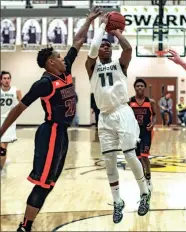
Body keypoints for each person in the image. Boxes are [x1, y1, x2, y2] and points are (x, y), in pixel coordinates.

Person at [0, 7, 102, 232]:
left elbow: (77, 40)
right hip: (51, 133)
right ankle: (24, 227)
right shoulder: (44, 83)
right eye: (57, 56)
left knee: (50, 183)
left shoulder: (64, 72)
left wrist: (89, 20)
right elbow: (19, 108)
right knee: (43, 182)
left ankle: (27, 224)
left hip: (62, 134)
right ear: (50, 63)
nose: (61, 57)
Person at [85, 13, 151, 224]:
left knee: (131, 155)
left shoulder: (120, 64)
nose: (106, 47)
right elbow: (93, 50)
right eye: (103, 45)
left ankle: (144, 192)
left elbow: (128, 48)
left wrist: (115, 32)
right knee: (109, 161)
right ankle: (117, 201)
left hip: (123, 112)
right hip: (104, 117)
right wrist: (102, 26)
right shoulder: (91, 67)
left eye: (108, 45)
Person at [129, 79, 156, 191]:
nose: (140, 87)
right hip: (134, 132)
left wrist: (153, 123)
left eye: (141, 86)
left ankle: (148, 178)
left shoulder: (151, 102)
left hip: (146, 132)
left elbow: (154, 115)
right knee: (138, 158)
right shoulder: (129, 101)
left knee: (145, 156)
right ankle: (142, 179)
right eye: (138, 86)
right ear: (135, 87)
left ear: (144, 88)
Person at [0, 71, 22, 176]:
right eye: (4, 78)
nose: (6, 80)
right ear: (1, 80)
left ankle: (1, 167)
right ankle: (2, 166)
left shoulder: (16, 91)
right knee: (2, 148)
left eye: (8, 78)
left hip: (9, 122)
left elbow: (22, 104)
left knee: (3, 147)